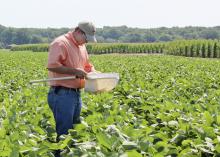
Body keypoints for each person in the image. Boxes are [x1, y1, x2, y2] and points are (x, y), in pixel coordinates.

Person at [47, 21, 97, 147]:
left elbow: (86, 66)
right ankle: (61, 153)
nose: (87, 42)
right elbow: (52, 66)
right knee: (64, 133)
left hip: (75, 94)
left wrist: (95, 73)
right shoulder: (61, 43)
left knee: (73, 130)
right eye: (86, 38)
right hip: (62, 93)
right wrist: (74, 71)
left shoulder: (81, 47)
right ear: (79, 32)